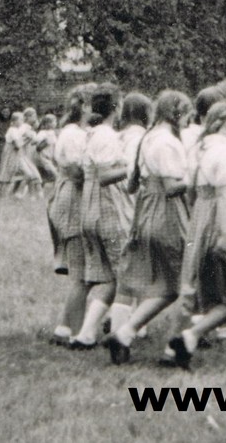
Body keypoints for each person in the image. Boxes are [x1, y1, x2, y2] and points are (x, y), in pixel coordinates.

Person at [167, 100, 226, 375]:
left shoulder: (199, 148)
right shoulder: (225, 149)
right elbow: (224, 193)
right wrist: (225, 234)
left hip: (200, 218)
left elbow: (192, 192)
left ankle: (190, 336)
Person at [107, 90, 192, 365]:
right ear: (176, 113)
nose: (189, 120)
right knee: (183, 282)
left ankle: (126, 333)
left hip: (147, 212)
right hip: (167, 215)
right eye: (187, 114)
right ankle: (173, 346)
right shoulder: (166, 142)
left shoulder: (148, 137)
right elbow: (171, 187)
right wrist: (196, 176)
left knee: (169, 283)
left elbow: (133, 183)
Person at [70, 86, 132, 350]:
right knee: (126, 273)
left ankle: (85, 334)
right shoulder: (106, 136)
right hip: (107, 208)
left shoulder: (90, 134)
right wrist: (131, 167)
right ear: (115, 108)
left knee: (108, 278)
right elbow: (106, 176)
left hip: (90, 208)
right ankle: (119, 335)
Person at [46, 86, 90, 341]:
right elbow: (76, 173)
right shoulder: (73, 134)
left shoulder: (76, 132)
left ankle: (64, 327)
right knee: (80, 272)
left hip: (73, 196)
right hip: (73, 198)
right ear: (84, 106)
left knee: (80, 270)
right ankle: (75, 333)